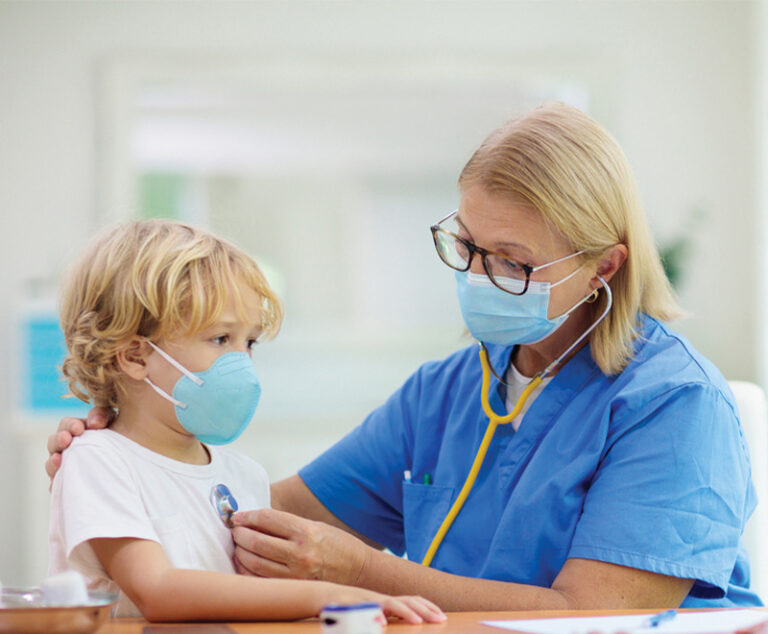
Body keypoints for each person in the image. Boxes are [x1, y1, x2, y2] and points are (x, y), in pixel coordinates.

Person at [48, 103, 762, 611]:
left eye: (511, 262)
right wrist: (137, 456)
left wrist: (365, 573)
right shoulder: (449, 392)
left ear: (604, 268)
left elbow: (592, 612)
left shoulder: (673, 404)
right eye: (468, 246)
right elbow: (254, 521)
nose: (478, 276)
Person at [47, 219, 445, 624]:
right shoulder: (97, 461)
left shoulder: (243, 475)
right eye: (221, 339)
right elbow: (158, 592)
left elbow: (258, 601)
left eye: (249, 342)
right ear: (134, 356)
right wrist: (328, 595)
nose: (242, 362)